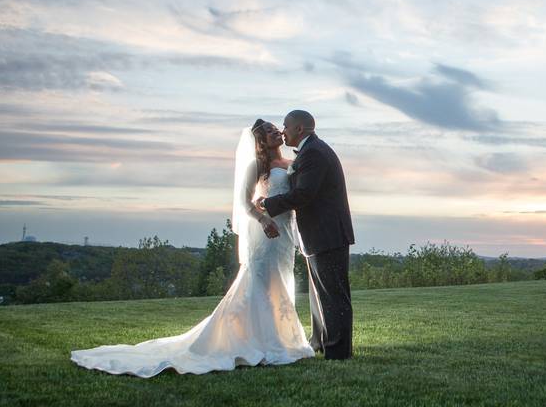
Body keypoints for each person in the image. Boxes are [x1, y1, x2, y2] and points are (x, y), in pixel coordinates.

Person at [70, 119, 314, 377]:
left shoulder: (292, 165)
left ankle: (282, 338)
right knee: (262, 283)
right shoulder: (258, 166)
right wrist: (264, 220)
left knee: (280, 281)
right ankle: (265, 342)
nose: (276, 132)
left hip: (285, 234)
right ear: (261, 142)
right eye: (268, 131)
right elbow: (245, 203)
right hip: (265, 233)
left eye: (276, 128)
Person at [255, 109, 355, 360]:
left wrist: (267, 204)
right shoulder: (311, 151)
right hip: (317, 234)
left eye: (286, 126)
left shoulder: (314, 153)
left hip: (327, 233)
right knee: (320, 294)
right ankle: (320, 341)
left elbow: (303, 195)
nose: (282, 131)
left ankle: (338, 351)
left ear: (299, 129)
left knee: (333, 295)